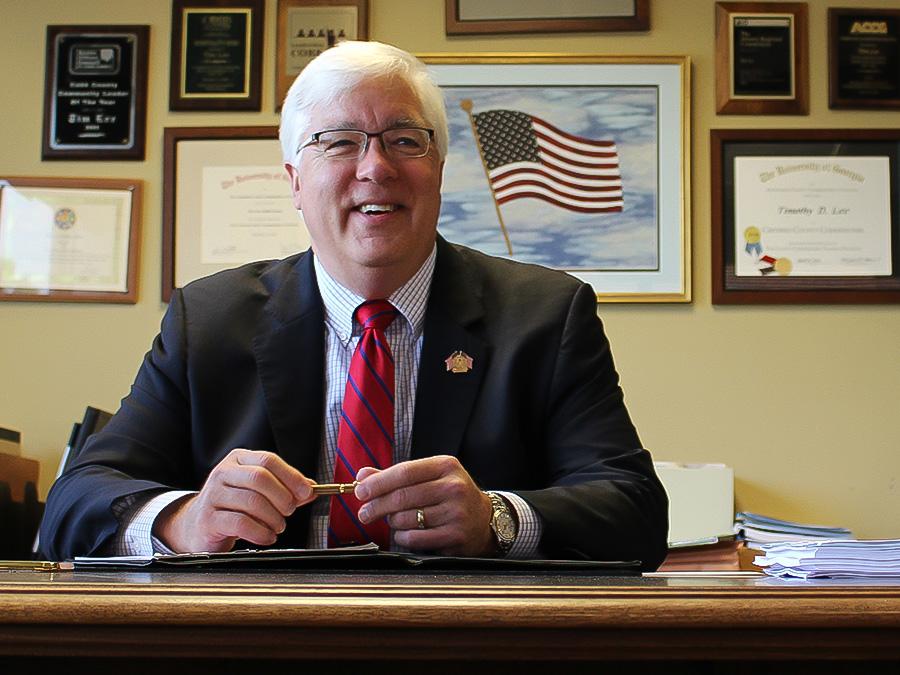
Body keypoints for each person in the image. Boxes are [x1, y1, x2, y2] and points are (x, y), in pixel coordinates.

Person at [40, 41, 668, 568]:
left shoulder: (546, 314)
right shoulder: (208, 317)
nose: (375, 167)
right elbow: (74, 505)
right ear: (293, 181)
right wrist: (183, 520)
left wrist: (496, 519)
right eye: (339, 142)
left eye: (405, 140)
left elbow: (635, 510)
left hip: (467, 645)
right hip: (255, 646)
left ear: (440, 168)